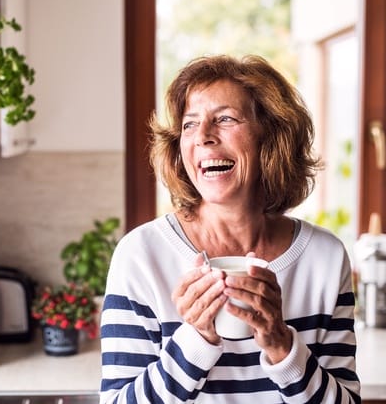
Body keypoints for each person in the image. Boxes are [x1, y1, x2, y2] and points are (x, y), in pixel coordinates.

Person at [99, 55, 360, 403]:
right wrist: (195, 339)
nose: (203, 137)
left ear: (270, 136)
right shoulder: (141, 256)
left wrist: (282, 346)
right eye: (190, 124)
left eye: (225, 119)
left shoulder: (324, 258)